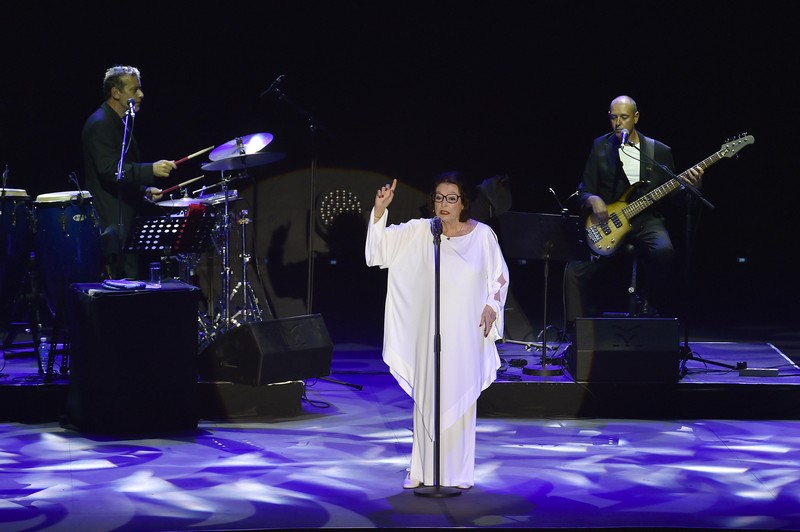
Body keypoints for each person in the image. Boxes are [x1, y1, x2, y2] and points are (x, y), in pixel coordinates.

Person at [365, 171, 509, 490]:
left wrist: (491, 306)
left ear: (463, 203)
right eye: (439, 197)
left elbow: (499, 278)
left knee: (459, 395)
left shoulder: (483, 235)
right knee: (429, 398)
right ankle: (420, 470)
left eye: (451, 198)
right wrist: (379, 211)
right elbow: (378, 252)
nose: (444, 204)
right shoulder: (420, 232)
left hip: (466, 333)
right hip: (429, 332)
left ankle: (457, 472)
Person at [564, 94, 704, 323]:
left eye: (624, 117)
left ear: (636, 117)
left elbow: (673, 198)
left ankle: (648, 303)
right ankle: (577, 331)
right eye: (613, 118)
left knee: (664, 251)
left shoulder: (658, 151)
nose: (618, 123)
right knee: (574, 270)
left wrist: (692, 186)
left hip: (646, 219)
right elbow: (583, 190)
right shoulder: (600, 146)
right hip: (609, 220)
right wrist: (593, 199)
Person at [82, 64, 177, 280]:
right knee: (122, 284)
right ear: (116, 93)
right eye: (134, 90)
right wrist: (150, 170)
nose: (141, 94)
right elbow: (109, 170)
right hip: (112, 220)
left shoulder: (117, 123)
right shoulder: (100, 123)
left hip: (124, 215)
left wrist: (142, 190)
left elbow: (121, 170)